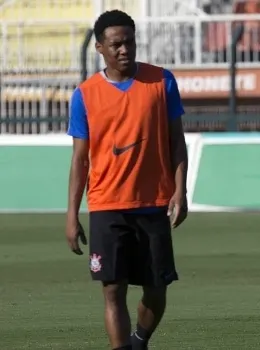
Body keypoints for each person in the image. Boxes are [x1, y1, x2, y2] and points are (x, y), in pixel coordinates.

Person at [65, 9, 188, 350]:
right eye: (116, 44)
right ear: (100, 48)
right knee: (112, 289)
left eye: (130, 42)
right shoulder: (85, 95)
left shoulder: (162, 82)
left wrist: (181, 190)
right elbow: (79, 160)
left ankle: (139, 339)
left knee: (156, 289)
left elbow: (176, 140)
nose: (125, 50)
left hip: (153, 203)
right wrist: (72, 215)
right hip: (107, 206)